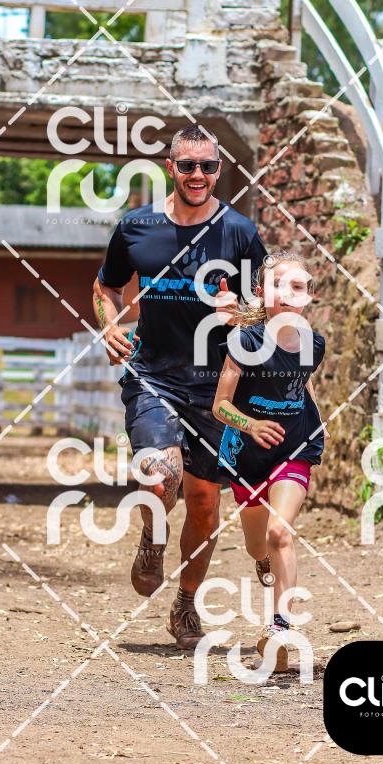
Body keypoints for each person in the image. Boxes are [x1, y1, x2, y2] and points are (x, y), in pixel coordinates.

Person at [92, 124, 267, 649]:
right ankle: (153, 534)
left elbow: (268, 305)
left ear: (218, 170)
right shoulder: (136, 227)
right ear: (171, 167)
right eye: (187, 165)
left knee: (205, 504)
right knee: (160, 476)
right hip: (153, 375)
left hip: (216, 387)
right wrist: (109, 324)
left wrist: (241, 311)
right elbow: (106, 285)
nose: (197, 175)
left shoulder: (238, 232)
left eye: (207, 166)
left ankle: (186, 604)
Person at [212, 251, 326, 671]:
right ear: (262, 293)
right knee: (257, 544)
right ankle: (262, 559)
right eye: (279, 285)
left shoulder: (314, 343)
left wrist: (317, 419)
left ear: (308, 295)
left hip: (294, 447)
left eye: (298, 286)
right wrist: (252, 424)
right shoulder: (245, 342)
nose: (289, 293)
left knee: (281, 532)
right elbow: (220, 406)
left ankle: (280, 629)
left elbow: (301, 381)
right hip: (247, 454)